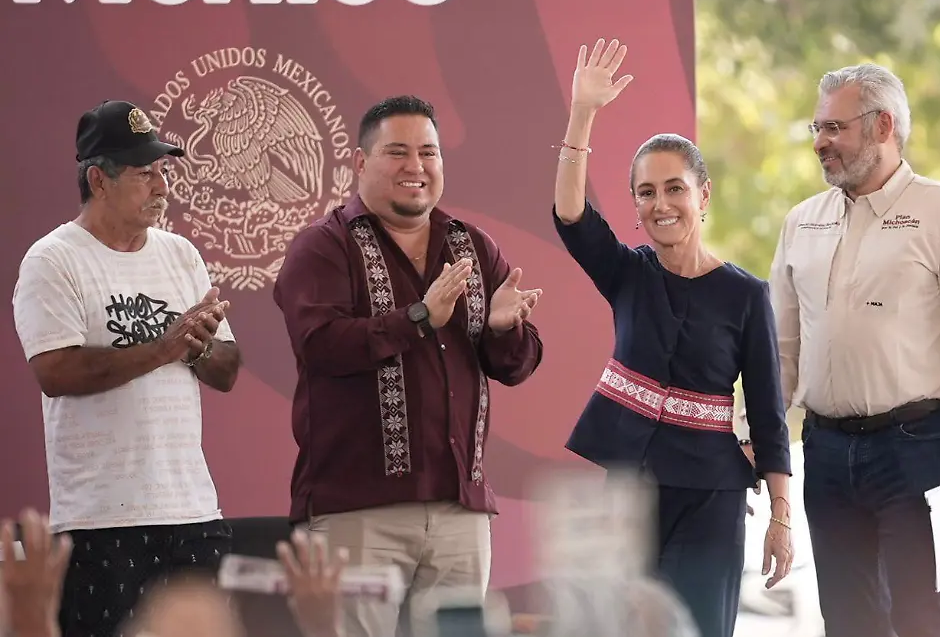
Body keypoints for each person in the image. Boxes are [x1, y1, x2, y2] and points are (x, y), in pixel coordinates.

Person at [273, 95, 544, 637]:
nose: (415, 167)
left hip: (459, 511)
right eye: (397, 152)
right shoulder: (322, 247)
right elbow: (320, 344)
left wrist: (502, 328)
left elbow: (514, 366)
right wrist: (420, 317)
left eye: (428, 152)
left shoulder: (472, 246)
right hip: (357, 510)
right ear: (358, 163)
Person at [551, 38, 793, 637]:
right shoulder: (627, 272)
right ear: (634, 205)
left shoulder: (745, 294)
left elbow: (768, 416)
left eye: (675, 188)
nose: (662, 204)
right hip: (628, 494)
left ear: (702, 195)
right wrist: (583, 114)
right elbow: (570, 214)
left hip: (711, 497)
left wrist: (781, 520)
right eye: (646, 192)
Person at [768, 63, 940, 637]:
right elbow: (781, 349)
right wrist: (763, 439)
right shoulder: (802, 221)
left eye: (834, 128)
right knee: (848, 622)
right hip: (823, 452)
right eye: (816, 128)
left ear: (882, 126)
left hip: (918, 451)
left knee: (925, 618)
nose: (821, 143)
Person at [11, 100, 242, 637]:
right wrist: (164, 347)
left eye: (163, 172)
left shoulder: (181, 254)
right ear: (99, 179)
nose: (162, 187)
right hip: (101, 521)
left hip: (192, 512)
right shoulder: (53, 260)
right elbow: (57, 371)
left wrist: (198, 346)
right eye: (145, 174)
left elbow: (226, 370)